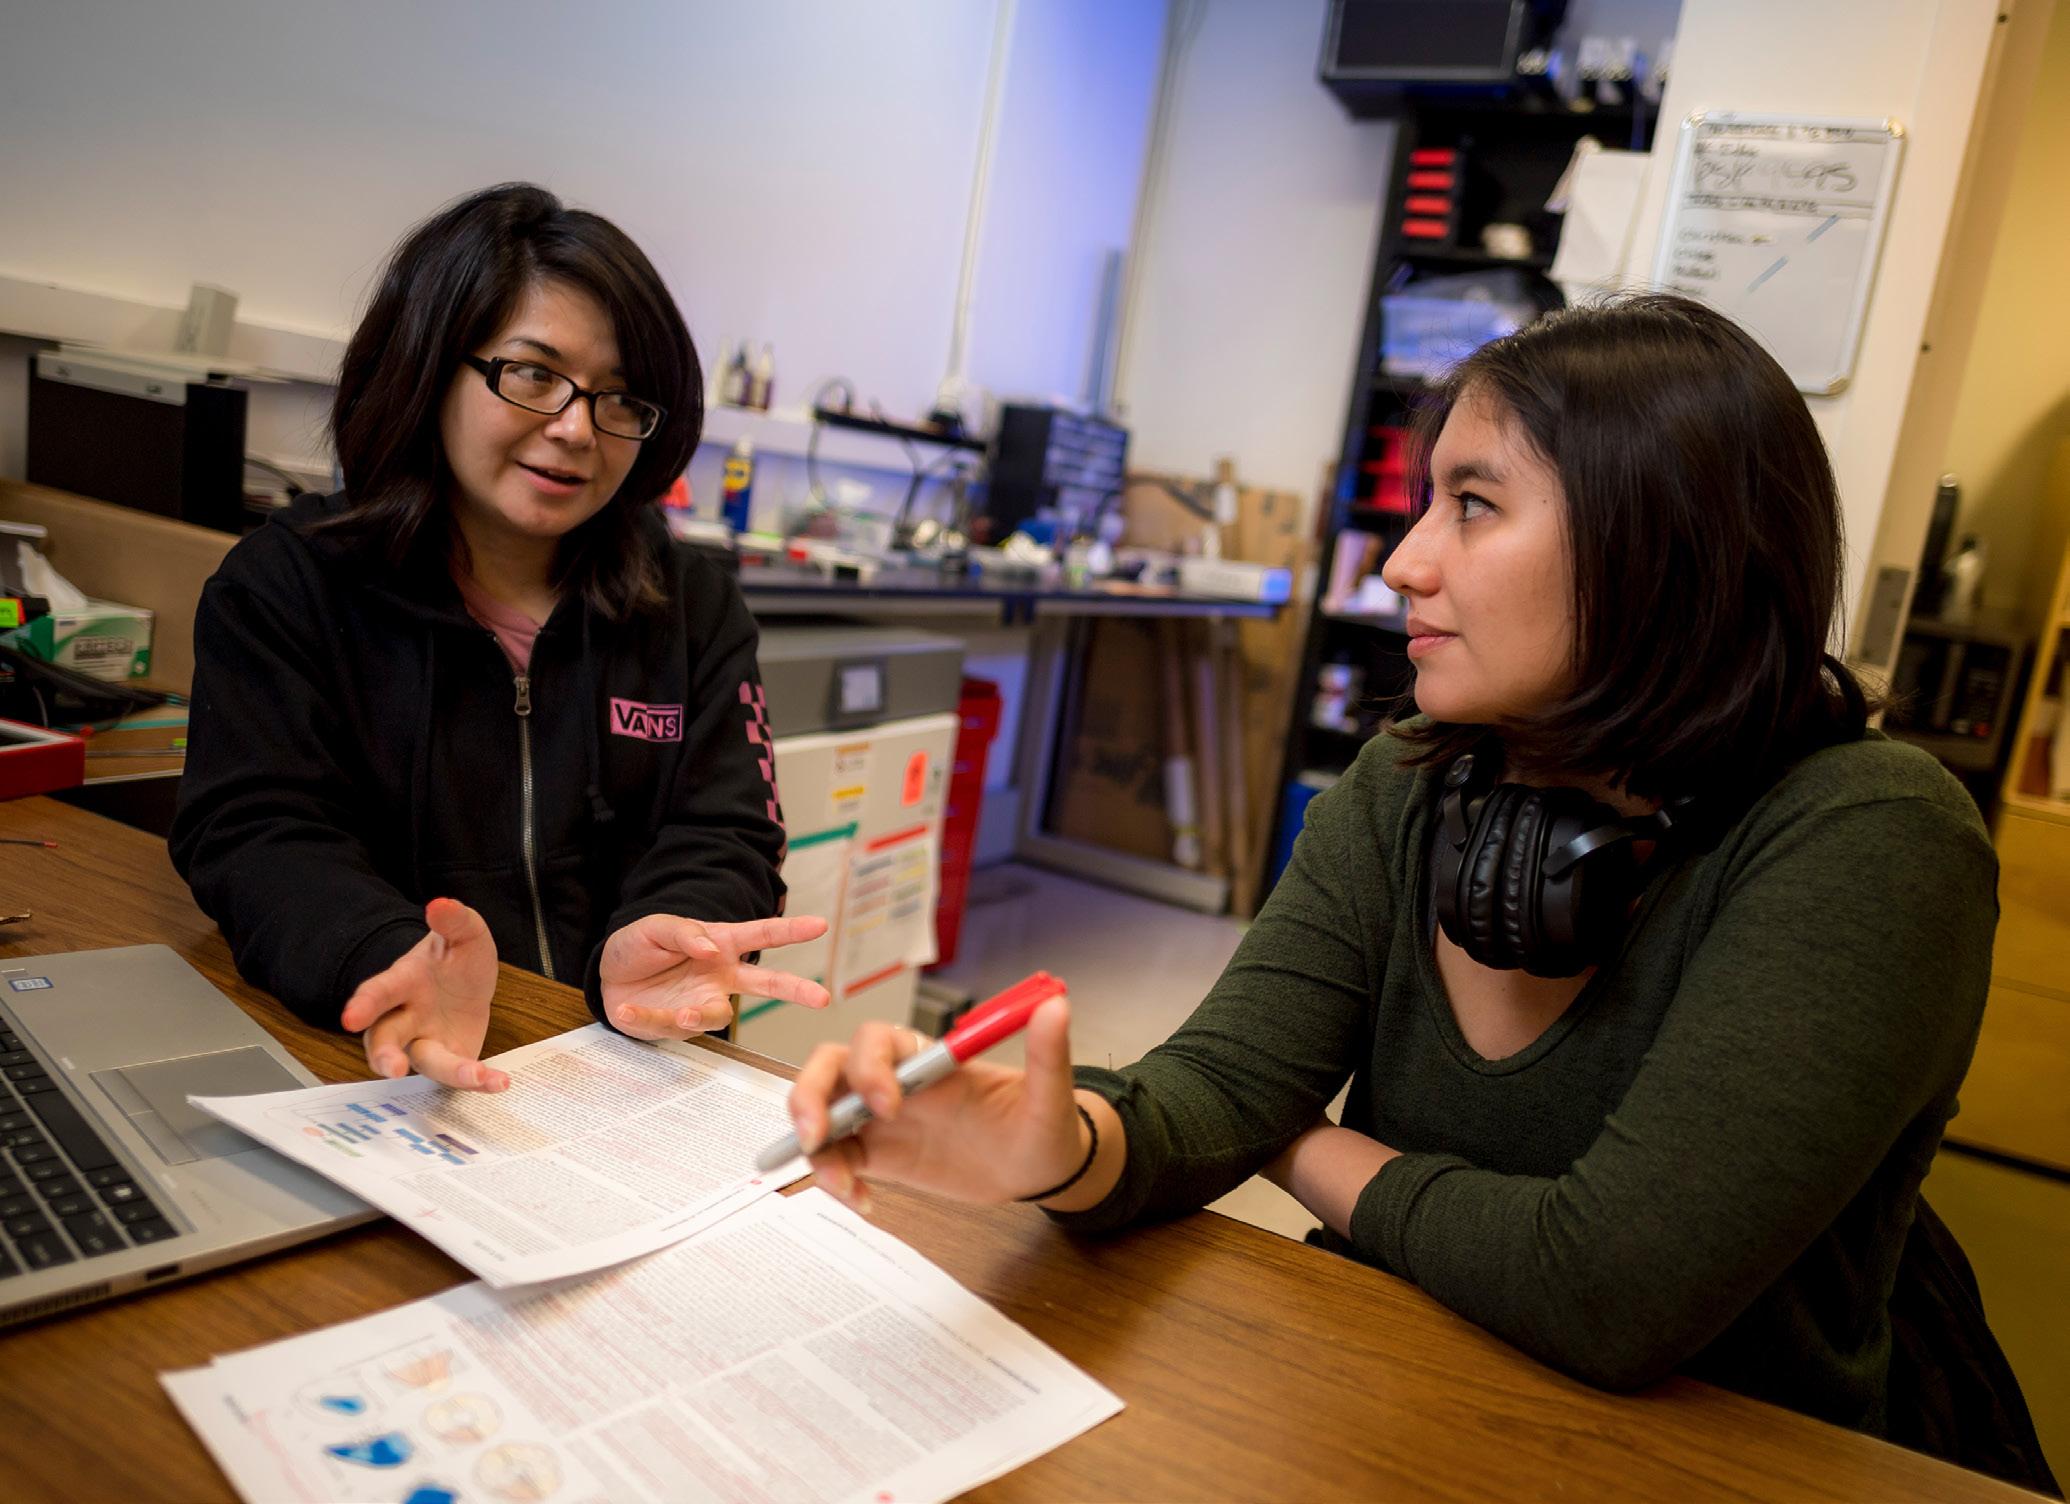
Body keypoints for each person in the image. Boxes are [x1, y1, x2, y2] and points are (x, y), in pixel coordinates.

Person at [782, 294, 2059, 1491]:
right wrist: (1063, 1144)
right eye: (1422, 506)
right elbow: (1216, 1085)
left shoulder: (1870, 835)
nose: (1401, 563)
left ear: (1661, 546)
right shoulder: (1412, 779)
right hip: (1379, 1409)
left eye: (1474, 505)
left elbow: (1607, 1290)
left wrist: (1297, 1141)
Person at [171, 183, 826, 1094]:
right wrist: (381, 952)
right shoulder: (286, 587)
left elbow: (729, 832)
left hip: (621, 1064)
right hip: (380, 1061)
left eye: (620, 397)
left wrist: (673, 931)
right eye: (532, 374)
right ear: (429, 367)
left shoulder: (693, 605)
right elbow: (253, 832)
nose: (576, 428)